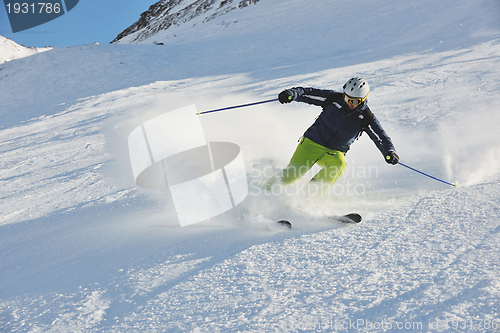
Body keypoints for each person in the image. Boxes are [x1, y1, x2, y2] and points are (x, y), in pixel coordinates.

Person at [269, 77, 399, 196]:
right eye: (347, 98)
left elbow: (381, 137)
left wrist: (389, 151)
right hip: (312, 143)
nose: (349, 103)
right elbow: (308, 93)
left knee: (339, 164)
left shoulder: (366, 117)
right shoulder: (333, 99)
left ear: (363, 99)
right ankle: (264, 191)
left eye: (354, 101)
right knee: (292, 175)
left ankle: (305, 198)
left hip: (334, 152)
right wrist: (291, 94)